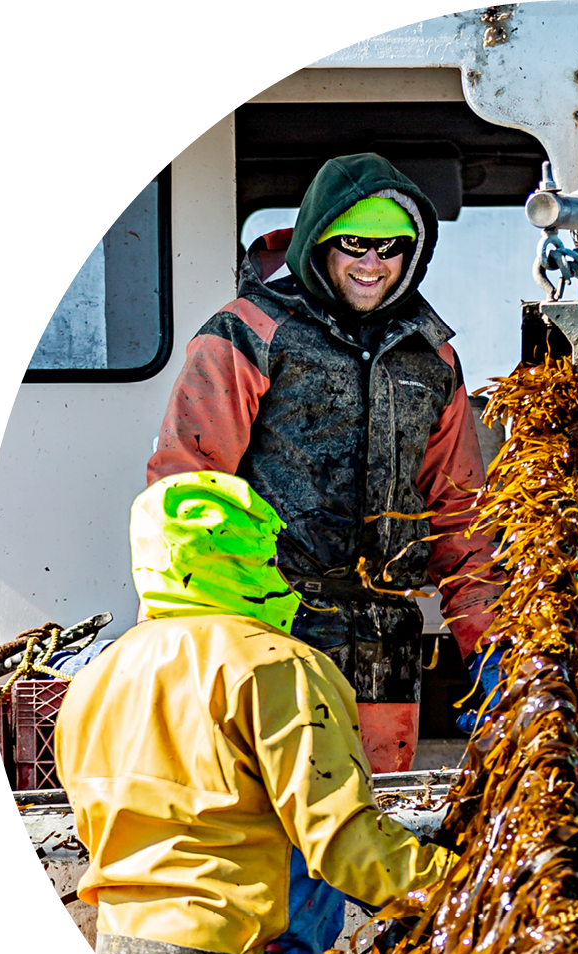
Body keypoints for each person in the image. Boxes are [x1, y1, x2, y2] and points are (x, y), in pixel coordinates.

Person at [54, 472, 456, 954]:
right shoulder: (279, 666)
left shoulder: (95, 681)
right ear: (258, 555)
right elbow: (346, 843)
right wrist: (473, 895)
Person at [146, 152, 503, 773]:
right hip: (276, 633)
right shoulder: (247, 334)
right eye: (354, 243)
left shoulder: (432, 357)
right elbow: (186, 492)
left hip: (387, 641)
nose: (373, 263)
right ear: (318, 241)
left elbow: (460, 517)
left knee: (367, 830)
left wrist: (492, 651)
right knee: (277, 827)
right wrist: (209, 647)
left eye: (391, 245)